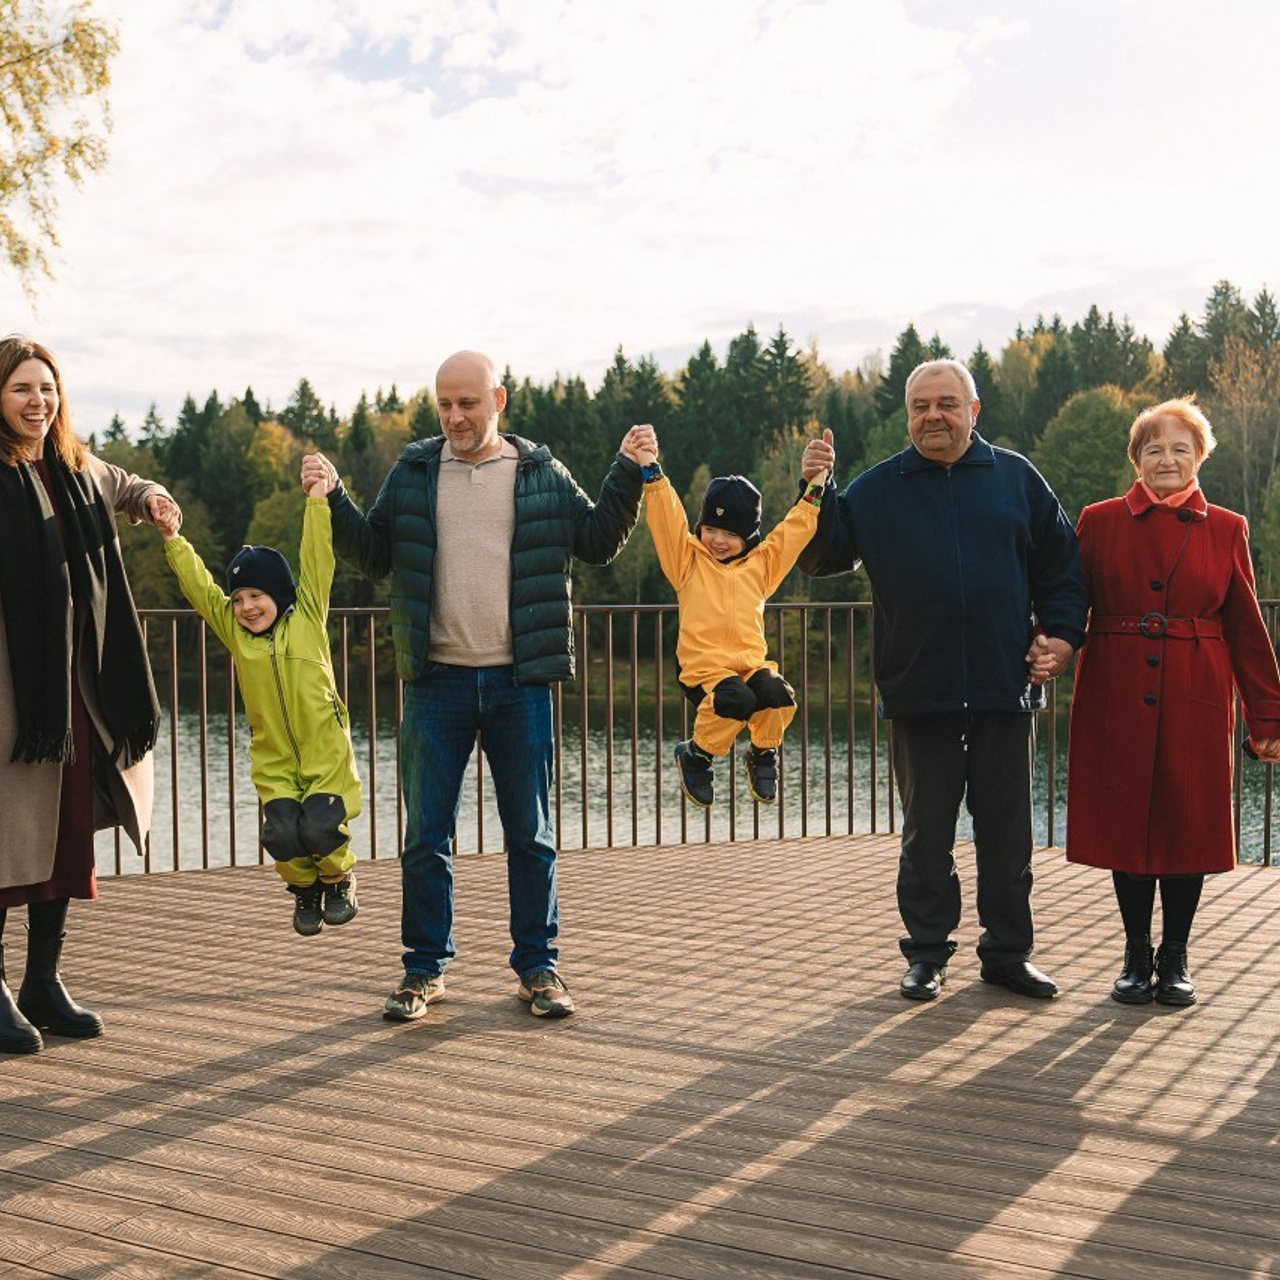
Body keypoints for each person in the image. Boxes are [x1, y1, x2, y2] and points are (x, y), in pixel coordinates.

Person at [301, 350, 649, 1021]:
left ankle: (538, 968)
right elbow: (373, 555)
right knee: (426, 837)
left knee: (531, 835)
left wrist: (627, 471)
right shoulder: (414, 471)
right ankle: (423, 970)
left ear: (499, 399)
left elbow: (597, 541)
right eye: (444, 405)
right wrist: (337, 496)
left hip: (522, 682)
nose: (455, 417)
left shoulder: (540, 472)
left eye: (468, 403)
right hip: (437, 682)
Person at [799, 359, 1086, 1002]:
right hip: (919, 692)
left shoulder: (1018, 479)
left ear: (974, 410)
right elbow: (819, 557)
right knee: (926, 837)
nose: (934, 415)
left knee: (1007, 836)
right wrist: (815, 489)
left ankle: (1008, 956)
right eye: (921, 405)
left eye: (947, 403)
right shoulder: (878, 489)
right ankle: (927, 954)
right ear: (908, 415)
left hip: (1005, 688)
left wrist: (1064, 637)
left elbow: (1063, 572)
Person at [1065, 399, 1280, 1007]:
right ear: (1136, 459)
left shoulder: (1228, 528)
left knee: (1188, 825)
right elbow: (1066, 603)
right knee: (1127, 823)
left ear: (1199, 458)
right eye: (1154, 449)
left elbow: (1245, 628)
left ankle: (1176, 956)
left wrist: (1268, 714)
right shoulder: (1099, 521)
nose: (1166, 459)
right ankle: (1136, 955)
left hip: (1197, 693)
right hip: (1114, 689)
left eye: (1180, 449)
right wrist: (1041, 650)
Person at [0, 335, 172, 1054]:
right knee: (7, 837)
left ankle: (42, 982)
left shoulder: (74, 464)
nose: (37, 401)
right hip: (10, 696)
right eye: (21, 388)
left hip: (73, 689)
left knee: (68, 831)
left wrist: (154, 498)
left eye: (47, 388)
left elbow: (125, 484)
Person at [153, 476, 363, 937]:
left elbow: (317, 556)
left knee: (322, 828)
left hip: (325, 753)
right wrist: (172, 538)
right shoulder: (236, 634)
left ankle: (338, 880)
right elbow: (201, 589)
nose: (246, 607)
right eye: (238, 599)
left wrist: (317, 500)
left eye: (256, 596)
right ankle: (305, 890)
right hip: (274, 758)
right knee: (282, 834)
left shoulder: (307, 616)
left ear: (279, 594)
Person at [632, 435, 825, 807]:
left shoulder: (762, 565)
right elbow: (666, 518)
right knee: (736, 698)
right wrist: (650, 469)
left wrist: (817, 485)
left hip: (748, 665)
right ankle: (697, 755)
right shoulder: (686, 561)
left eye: (730, 534)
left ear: (748, 536)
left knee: (777, 694)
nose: (717, 540)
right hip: (703, 669)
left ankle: (762, 752)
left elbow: (795, 529)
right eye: (710, 529)